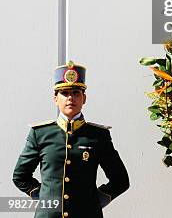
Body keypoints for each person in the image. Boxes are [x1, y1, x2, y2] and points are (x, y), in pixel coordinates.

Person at [13, 61, 130, 217]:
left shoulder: (98, 136)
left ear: (84, 98)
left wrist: (95, 202)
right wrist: (44, 199)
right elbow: (20, 176)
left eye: (76, 93)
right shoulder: (40, 134)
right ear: (55, 98)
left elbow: (120, 180)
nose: (70, 98)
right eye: (64, 93)